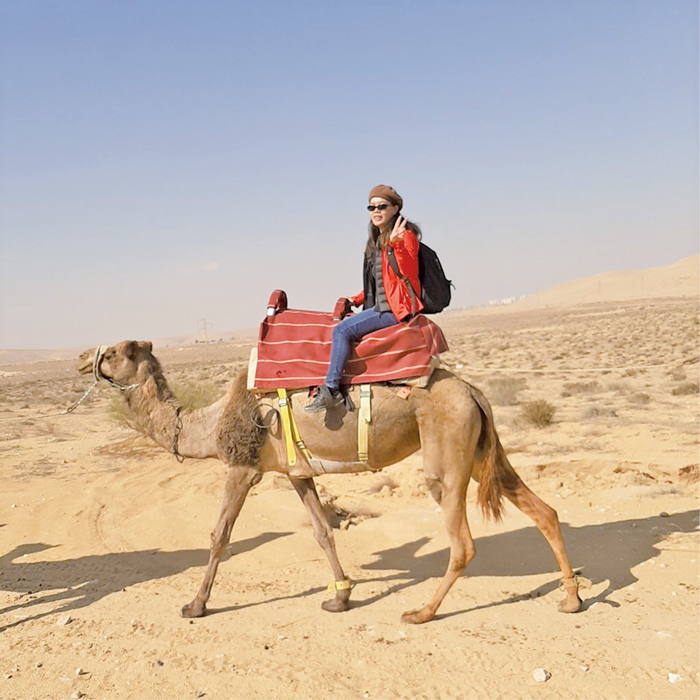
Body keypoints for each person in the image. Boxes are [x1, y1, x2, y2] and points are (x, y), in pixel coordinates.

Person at [306, 184, 423, 413]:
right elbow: (380, 281)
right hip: (382, 304)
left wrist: (398, 245)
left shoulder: (404, 236)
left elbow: (408, 271)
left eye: (382, 206)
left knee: (341, 331)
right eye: (372, 207)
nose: (376, 211)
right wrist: (358, 299)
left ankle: (331, 389)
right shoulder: (377, 240)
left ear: (395, 209)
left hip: (394, 310)